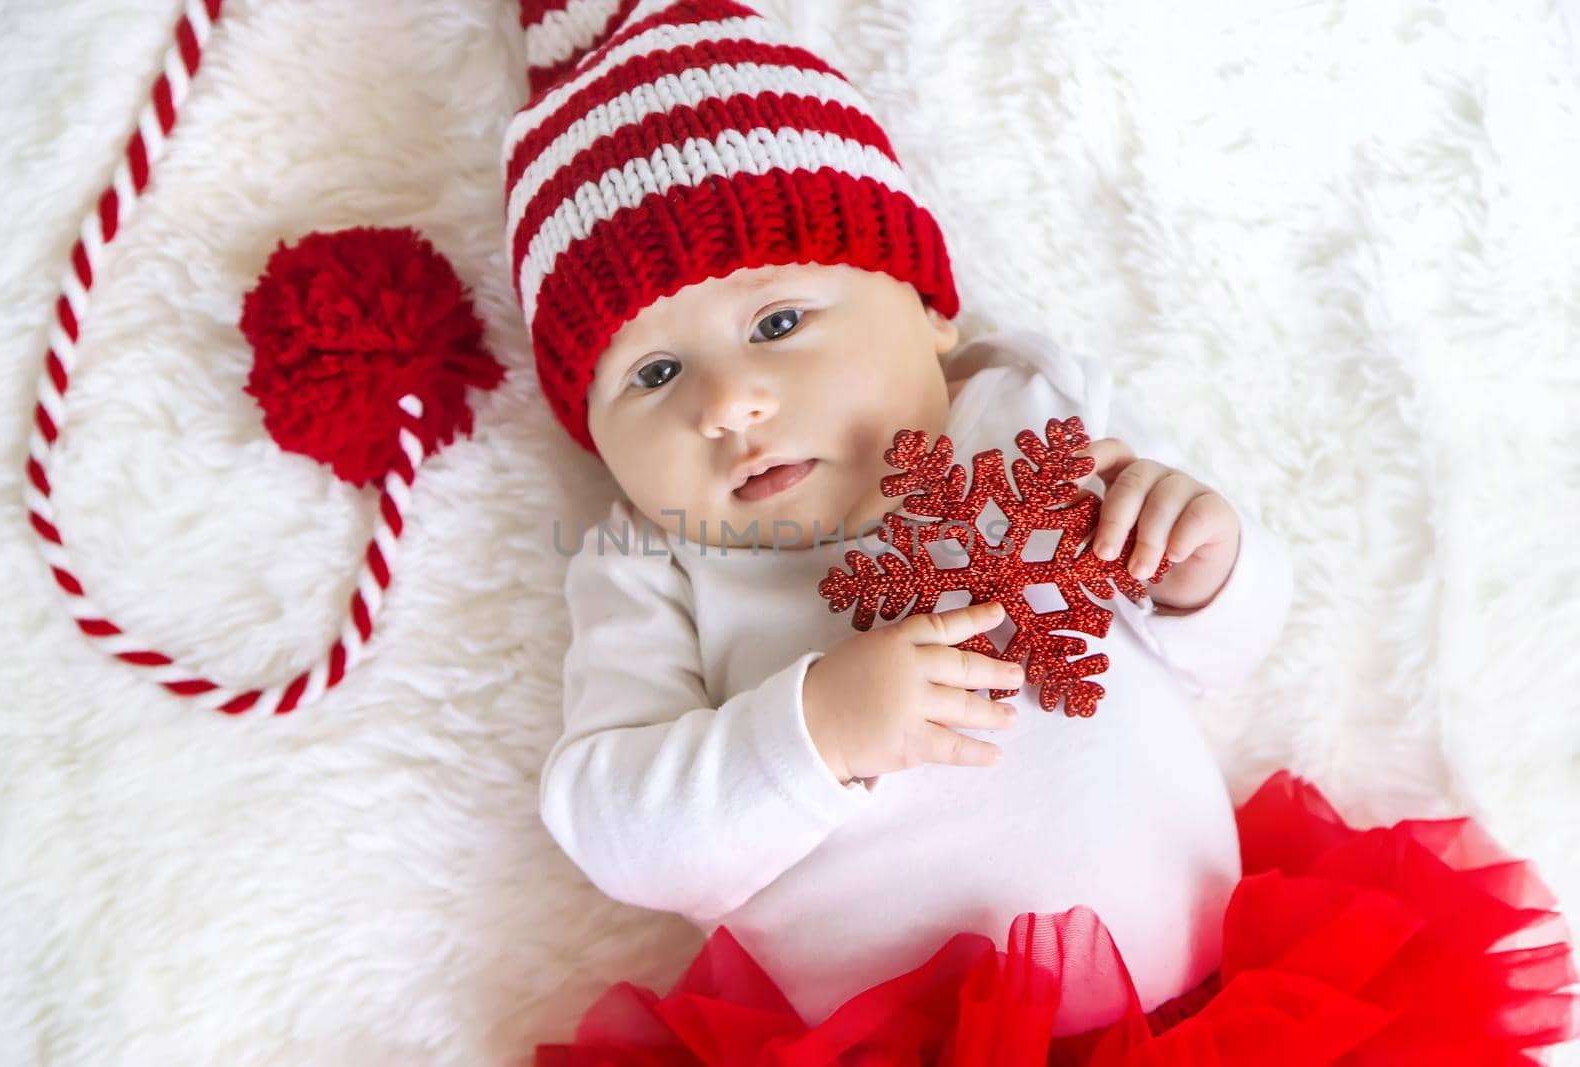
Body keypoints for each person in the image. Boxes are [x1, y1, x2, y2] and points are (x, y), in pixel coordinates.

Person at [505, 0, 1580, 1061]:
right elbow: (616, 825)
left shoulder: (1029, 416)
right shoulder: (656, 562)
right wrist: (816, 730)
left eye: (779, 323)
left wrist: (1202, 562)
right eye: (653, 374)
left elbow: (1223, 652)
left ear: (931, 311)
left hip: (1225, 1009)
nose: (729, 401)